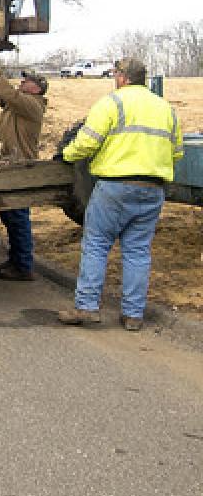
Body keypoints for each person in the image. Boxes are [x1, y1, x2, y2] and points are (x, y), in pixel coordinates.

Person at [57, 57, 184, 331]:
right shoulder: (166, 109)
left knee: (97, 245)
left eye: (116, 73)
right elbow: (177, 152)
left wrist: (65, 155)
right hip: (153, 189)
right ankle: (133, 315)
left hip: (115, 187)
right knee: (138, 252)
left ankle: (87, 307)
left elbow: (87, 142)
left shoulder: (112, 103)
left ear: (123, 77)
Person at [0, 51, 48, 281]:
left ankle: (24, 266)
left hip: (20, 168)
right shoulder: (19, 104)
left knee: (18, 217)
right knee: (10, 216)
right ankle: (16, 259)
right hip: (9, 165)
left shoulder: (32, 105)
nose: (22, 81)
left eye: (26, 81)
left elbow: (7, 93)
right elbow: (1, 95)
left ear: (36, 88)